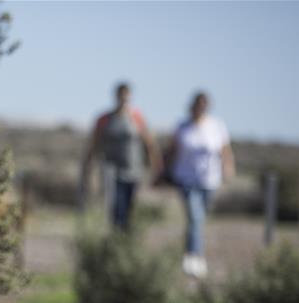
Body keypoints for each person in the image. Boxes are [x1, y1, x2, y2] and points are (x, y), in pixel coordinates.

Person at [168, 91, 235, 278]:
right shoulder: (182, 127)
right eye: (198, 104)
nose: (200, 108)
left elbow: (225, 151)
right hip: (186, 179)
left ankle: (192, 253)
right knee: (195, 217)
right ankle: (194, 256)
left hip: (209, 180)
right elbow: (172, 151)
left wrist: (228, 169)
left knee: (198, 219)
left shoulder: (217, 126)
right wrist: (164, 172)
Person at [80, 82, 162, 230]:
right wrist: (88, 165)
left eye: (126, 96)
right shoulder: (104, 119)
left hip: (133, 170)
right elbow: (94, 144)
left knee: (129, 207)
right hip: (111, 170)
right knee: (115, 205)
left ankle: (125, 239)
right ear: (115, 96)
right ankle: (116, 237)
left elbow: (149, 144)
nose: (123, 99)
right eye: (120, 95)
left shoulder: (137, 117)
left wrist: (155, 167)